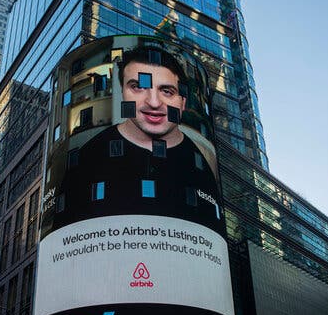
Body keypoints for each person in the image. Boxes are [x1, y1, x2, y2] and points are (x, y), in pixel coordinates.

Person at [50, 46, 223, 232]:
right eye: (138, 87)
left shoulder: (201, 166)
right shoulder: (88, 157)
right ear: (123, 93)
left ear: (182, 103)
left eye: (167, 91)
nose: (154, 103)